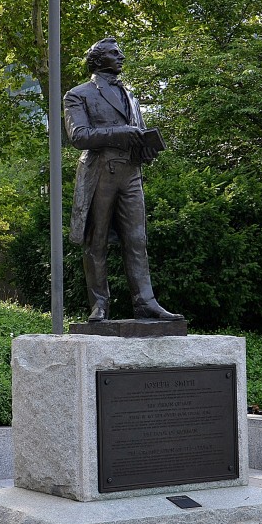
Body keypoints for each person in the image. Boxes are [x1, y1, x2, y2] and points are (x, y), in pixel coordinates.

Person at [64, 37, 183, 323]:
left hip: (131, 172)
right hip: (100, 173)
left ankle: (146, 302)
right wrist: (121, 133)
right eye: (114, 53)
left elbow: (136, 131)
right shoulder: (78, 94)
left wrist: (146, 147)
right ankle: (100, 305)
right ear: (98, 59)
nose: (121, 57)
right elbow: (78, 136)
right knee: (97, 241)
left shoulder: (130, 95)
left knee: (137, 239)